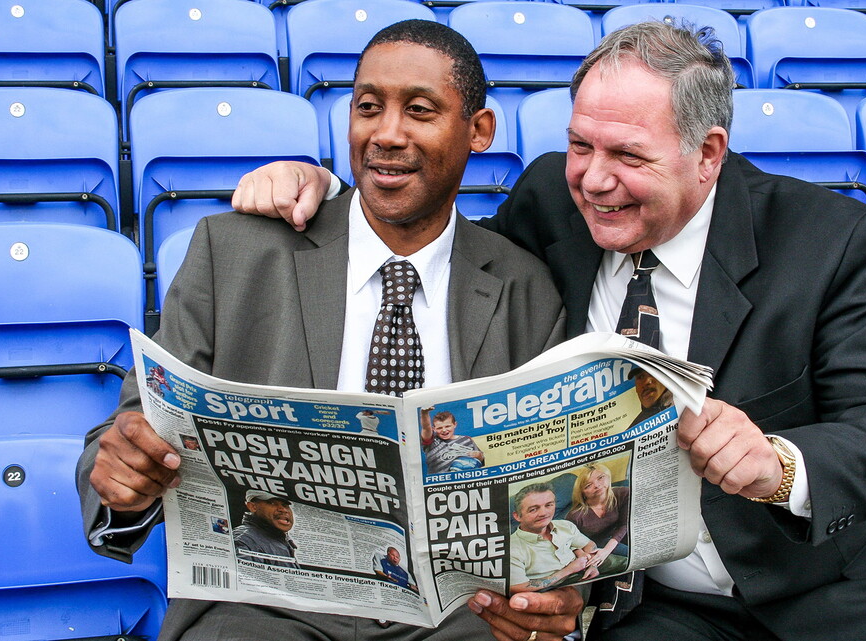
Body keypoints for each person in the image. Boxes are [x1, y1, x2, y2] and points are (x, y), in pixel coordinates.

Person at [230, 19, 866, 641]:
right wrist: (325, 192)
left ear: (708, 154)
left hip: (839, 594)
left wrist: (780, 463)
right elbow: (444, 250)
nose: (595, 181)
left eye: (628, 157)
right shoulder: (552, 198)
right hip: (657, 609)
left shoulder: (830, 240)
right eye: (581, 146)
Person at [77, 19, 565, 641]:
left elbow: (544, 490)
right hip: (264, 606)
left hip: (453, 618)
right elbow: (120, 436)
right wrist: (124, 475)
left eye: (419, 110)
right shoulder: (234, 255)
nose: (386, 135)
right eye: (368, 108)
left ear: (479, 131)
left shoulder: (525, 289)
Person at [510, 483, 627, 594]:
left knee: (632, 566)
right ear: (517, 516)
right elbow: (518, 586)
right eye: (533, 509)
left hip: (584, 567)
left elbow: (589, 544)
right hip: (557, 586)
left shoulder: (565, 525)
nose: (544, 513)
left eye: (549, 505)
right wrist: (569, 570)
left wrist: (592, 564)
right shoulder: (511, 549)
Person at [565, 463, 630, 561]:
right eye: (588, 485)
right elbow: (570, 542)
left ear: (608, 476)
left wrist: (606, 551)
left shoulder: (624, 493)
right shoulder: (575, 516)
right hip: (597, 545)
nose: (597, 485)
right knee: (629, 553)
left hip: (623, 534)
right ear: (582, 493)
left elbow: (625, 524)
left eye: (600, 478)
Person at [233, 490, 299, 569]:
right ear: (253, 507)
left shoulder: (281, 539)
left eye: (285, 505)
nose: (283, 510)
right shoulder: (244, 539)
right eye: (272, 503)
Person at [420, 407, 485, 474]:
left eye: (447, 426)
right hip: (441, 482)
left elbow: (480, 461)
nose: (444, 430)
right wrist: (424, 413)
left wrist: (479, 456)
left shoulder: (467, 440)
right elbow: (426, 427)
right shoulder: (432, 441)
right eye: (439, 428)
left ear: (455, 424)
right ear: (434, 429)